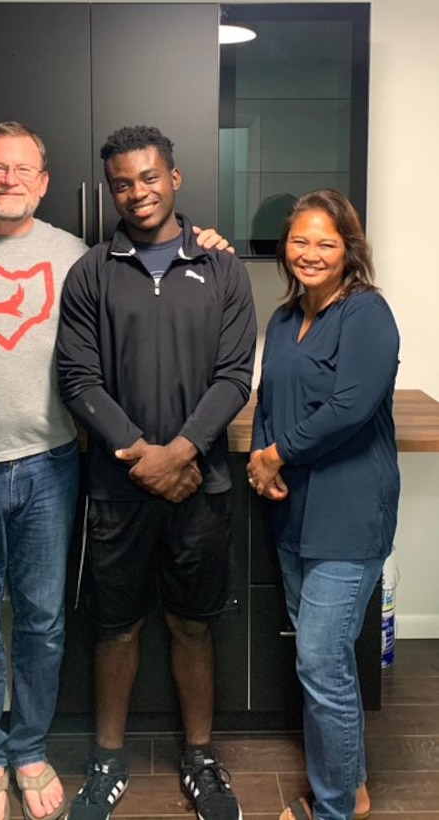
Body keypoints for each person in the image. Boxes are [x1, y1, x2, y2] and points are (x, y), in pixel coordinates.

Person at [0, 121, 232, 820]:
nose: (8, 180)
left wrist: (203, 242)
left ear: (44, 181)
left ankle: (28, 749)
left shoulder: (77, 257)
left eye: (21, 170)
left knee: (42, 622)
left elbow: (136, 304)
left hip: (52, 465)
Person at [57, 125, 257, 820]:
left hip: (201, 487)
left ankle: (200, 760)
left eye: (148, 177)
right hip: (117, 488)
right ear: (108, 189)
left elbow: (235, 376)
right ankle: (106, 762)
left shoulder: (223, 268)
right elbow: (77, 377)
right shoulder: (90, 271)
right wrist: (143, 456)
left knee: (192, 625)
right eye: (121, 182)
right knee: (114, 628)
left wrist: (182, 453)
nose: (136, 192)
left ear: (174, 178)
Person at [246, 189, 400, 820]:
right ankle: (353, 787)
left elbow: (350, 409)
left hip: (349, 508)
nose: (309, 254)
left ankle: (332, 808)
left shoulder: (367, 314)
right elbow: (269, 394)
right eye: (299, 241)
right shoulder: (284, 318)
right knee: (327, 658)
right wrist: (262, 459)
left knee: (319, 660)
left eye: (325, 243)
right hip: (293, 510)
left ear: (349, 250)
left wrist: (277, 453)